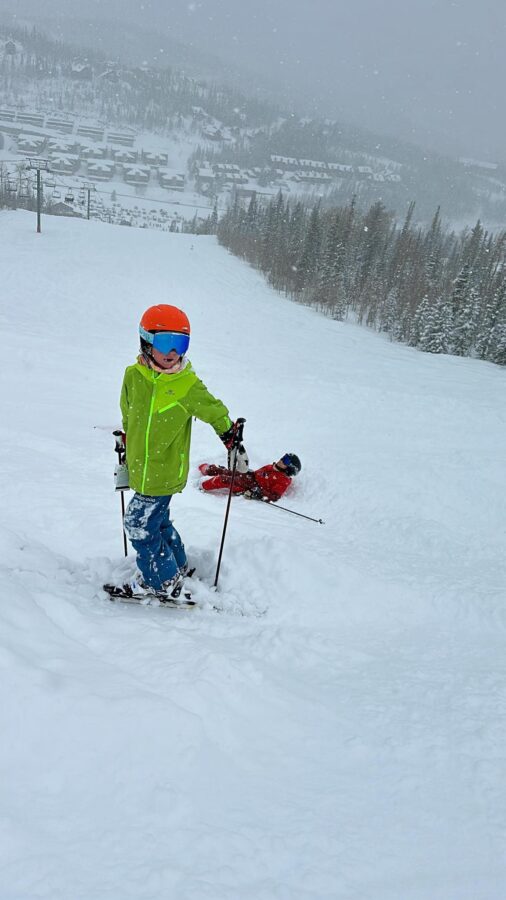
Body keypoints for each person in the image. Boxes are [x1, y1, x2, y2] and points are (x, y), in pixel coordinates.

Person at [111, 304, 248, 601]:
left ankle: (161, 581)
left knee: (138, 523)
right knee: (156, 521)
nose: (173, 351)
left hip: (165, 469)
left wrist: (230, 438)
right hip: (140, 467)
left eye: (181, 343)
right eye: (165, 342)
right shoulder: (133, 376)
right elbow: (128, 413)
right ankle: (176, 564)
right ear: (146, 341)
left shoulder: (186, 384)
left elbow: (215, 411)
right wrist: (125, 441)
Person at [199, 453, 301, 503]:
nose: (282, 460)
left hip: (250, 487)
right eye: (284, 457)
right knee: (229, 471)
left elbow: (274, 496)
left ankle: (201, 487)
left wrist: (257, 492)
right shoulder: (273, 467)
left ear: (290, 468)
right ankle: (208, 469)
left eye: (286, 461)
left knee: (225, 479)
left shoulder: (283, 480)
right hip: (250, 477)